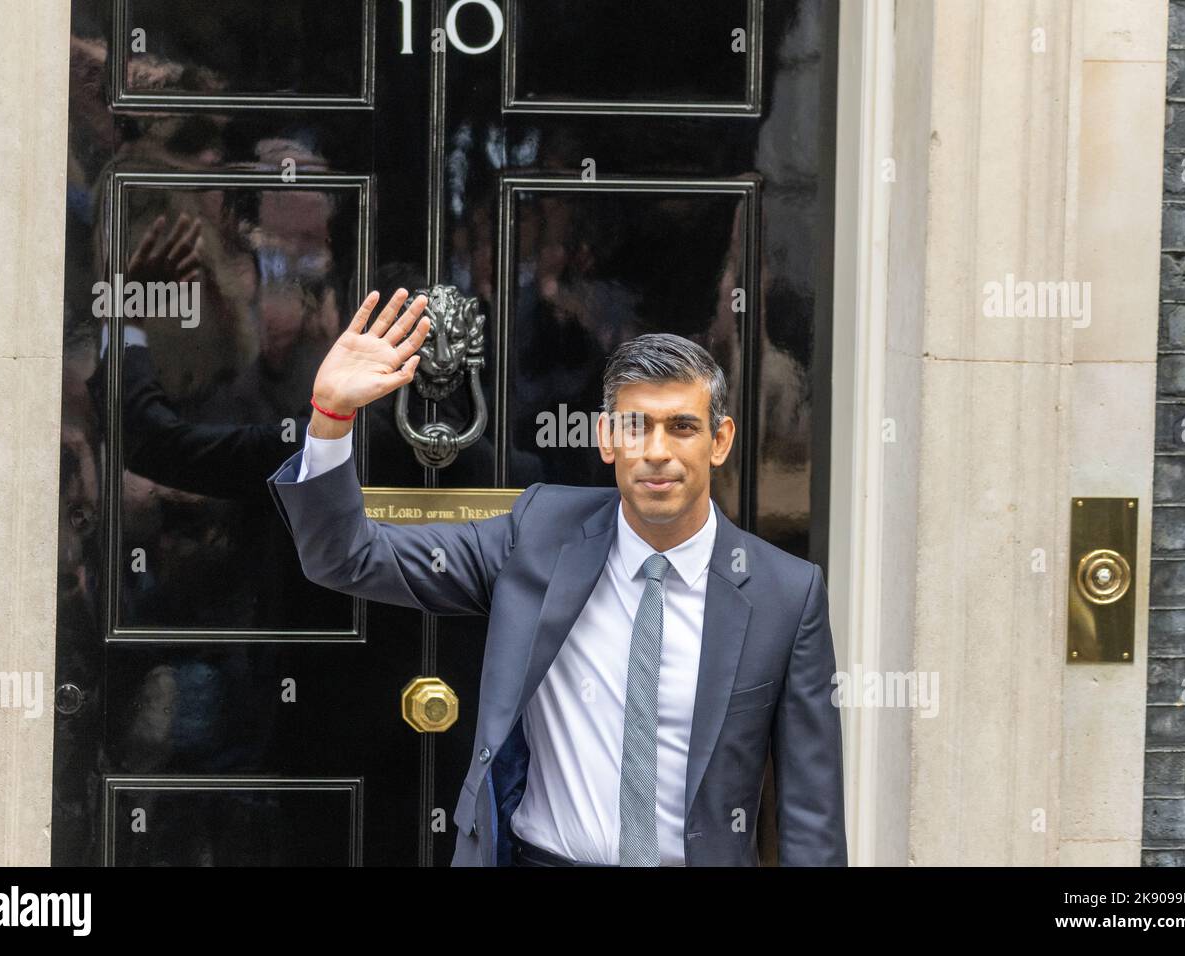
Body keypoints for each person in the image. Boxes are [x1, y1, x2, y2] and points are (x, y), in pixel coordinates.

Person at [266, 288, 847, 866]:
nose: (657, 452)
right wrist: (331, 417)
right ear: (605, 439)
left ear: (719, 441)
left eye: (682, 428)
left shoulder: (786, 595)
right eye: (635, 426)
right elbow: (347, 556)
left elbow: (810, 819)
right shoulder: (538, 534)